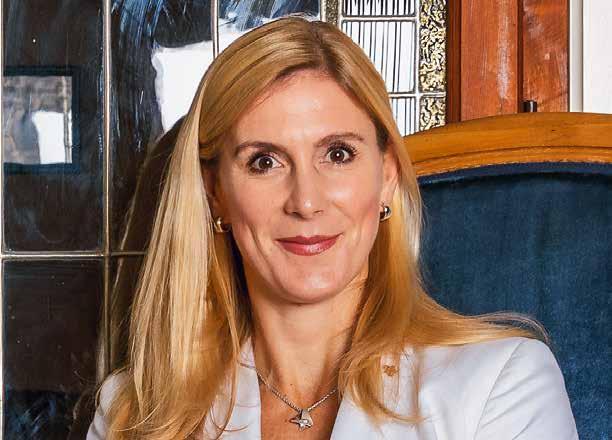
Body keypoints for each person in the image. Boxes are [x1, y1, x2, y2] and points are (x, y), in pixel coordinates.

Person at [86, 14, 579, 440]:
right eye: (264, 161)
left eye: (338, 154)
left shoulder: (502, 385)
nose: (306, 201)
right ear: (215, 192)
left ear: (387, 176)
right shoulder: (135, 409)